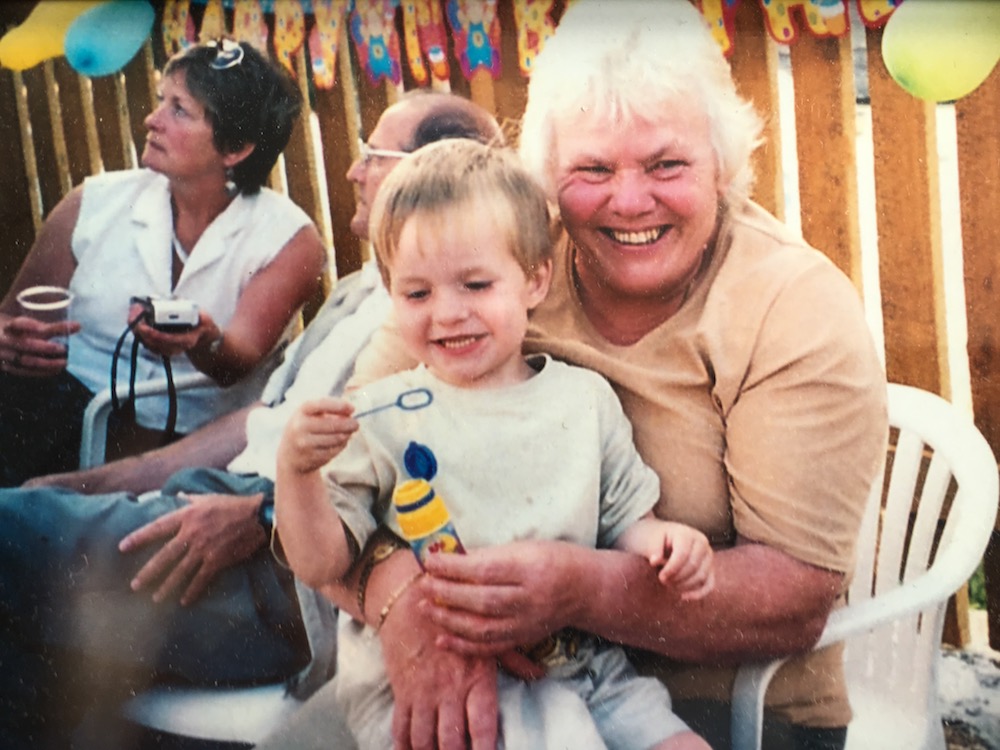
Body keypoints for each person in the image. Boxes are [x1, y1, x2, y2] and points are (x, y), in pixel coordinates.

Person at [261, 3, 889, 749]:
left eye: (667, 164)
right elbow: (345, 488)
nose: (629, 200)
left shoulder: (790, 305)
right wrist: (404, 601)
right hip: (450, 661)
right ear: (549, 175)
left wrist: (574, 588)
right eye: (592, 169)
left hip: (719, 701)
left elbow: (793, 598)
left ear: (722, 165)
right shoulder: (482, 271)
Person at [0, 91, 502, 750]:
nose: (353, 170)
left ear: (430, 172)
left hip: (277, 572)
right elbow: (262, 421)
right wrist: (95, 481)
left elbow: (416, 470)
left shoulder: (447, 322)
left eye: (375, 156)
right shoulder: (363, 291)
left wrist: (268, 514)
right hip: (214, 508)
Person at [275, 139, 715, 750]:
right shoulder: (380, 415)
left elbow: (626, 523)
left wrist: (668, 544)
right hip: (444, 688)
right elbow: (321, 563)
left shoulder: (583, 401)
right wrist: (295, 474)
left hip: (583, 668)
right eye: (418, 294)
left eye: (475, 284)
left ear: (534, 280)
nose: (447, 314)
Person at [0, 39, 325, 487]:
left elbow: (237, 364)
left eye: (179, 110)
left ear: (235, 148)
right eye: (160, 102)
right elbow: (12, 319)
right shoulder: (94, 203)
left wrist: (203, 339)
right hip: (47, 417)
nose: (152, 120)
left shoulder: (288, 240)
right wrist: (9, 340)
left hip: (185, 453)